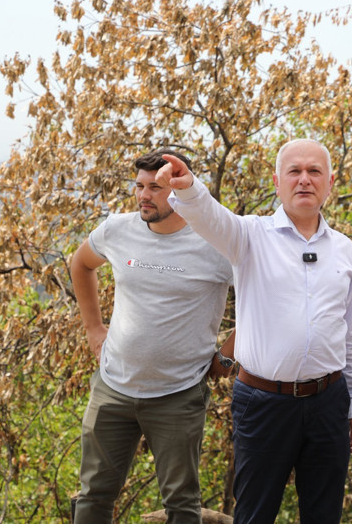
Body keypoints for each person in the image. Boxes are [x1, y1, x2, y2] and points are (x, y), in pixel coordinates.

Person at [156, 139, 352, 524]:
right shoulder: (249, 236)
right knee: (254, 515)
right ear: (277, 181)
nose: (305, 180)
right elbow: (209, 217)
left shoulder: (343, 249)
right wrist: (187, 186)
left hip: (329, 401)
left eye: (314, 171)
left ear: (330, 182)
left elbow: (351, 334)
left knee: (324, 516)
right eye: (295, 171)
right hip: (264, 403)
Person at [71, 149, 234, 523]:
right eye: (140, 186)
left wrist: (226, 355)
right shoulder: (117, 229)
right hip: (113, 387)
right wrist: (94, 329)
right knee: (93, 496)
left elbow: (264, 297)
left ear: (179, 189)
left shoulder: (217, 242)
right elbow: (81, 264)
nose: (144, 195)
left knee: (181, 504)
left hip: (178, 394)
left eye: (156, 188)